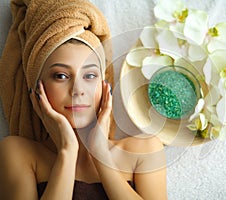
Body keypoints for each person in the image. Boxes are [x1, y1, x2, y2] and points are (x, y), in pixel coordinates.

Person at [0, 0, 167, 199]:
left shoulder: (144, 150)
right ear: (37, 88)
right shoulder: (18, 153)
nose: (78, 90)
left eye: (89, 76)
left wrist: (100, 153)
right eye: (61, 76)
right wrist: (67, 152)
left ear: (105, 85)